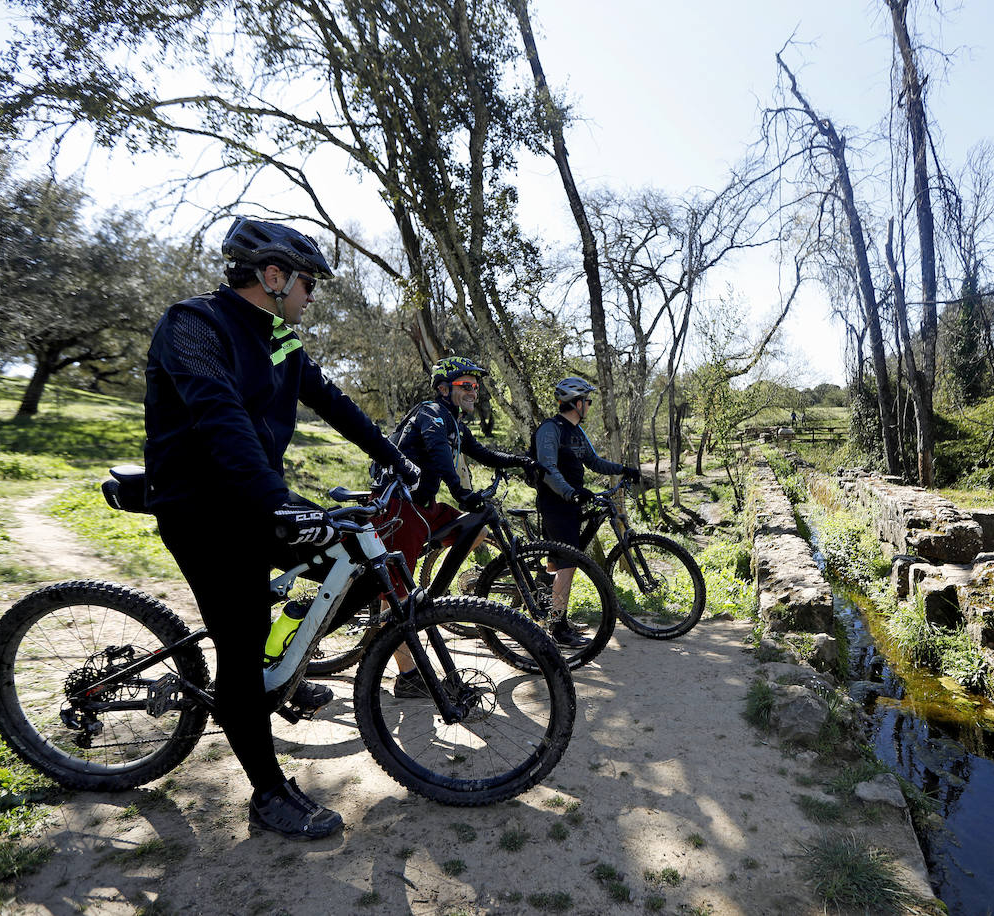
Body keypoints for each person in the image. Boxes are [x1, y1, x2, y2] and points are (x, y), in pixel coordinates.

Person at [145, 216, 420, 840]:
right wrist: (277, 503)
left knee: (355, 567)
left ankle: (280, 668)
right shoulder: (193, 325)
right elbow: (220, 420)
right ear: (273, 276)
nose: (311, 295)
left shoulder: (280, 337)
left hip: (254, 498)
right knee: (238, 649)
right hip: (202, 507)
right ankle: (268, 795)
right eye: (307, 283)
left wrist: (393, 453)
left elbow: (331, 400)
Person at [372, 356, 536, 691]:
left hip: (424, 507)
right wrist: (462, 491)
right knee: (397, 599)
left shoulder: (455, 422)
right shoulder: (431, 413)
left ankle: (433, 595)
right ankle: (407, 678)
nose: (474, 391)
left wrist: (521, 461)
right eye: (466, 385)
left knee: (477, 528)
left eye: (476, 386)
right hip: (400, 509)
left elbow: (482, 452)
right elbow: (437, 452)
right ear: (444, 388)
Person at [530, 377, 643, 647]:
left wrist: (622, 469)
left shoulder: (577, 431)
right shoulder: (551, 429)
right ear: (576, 402)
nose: (590, 405)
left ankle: (550, 612)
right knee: (568, 565)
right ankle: (556, 629)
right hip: (555, 504)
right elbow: (547, 468)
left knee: (557, 563)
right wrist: (571, 492)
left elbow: (593, 462)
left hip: (570, 504)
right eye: (588, 401)